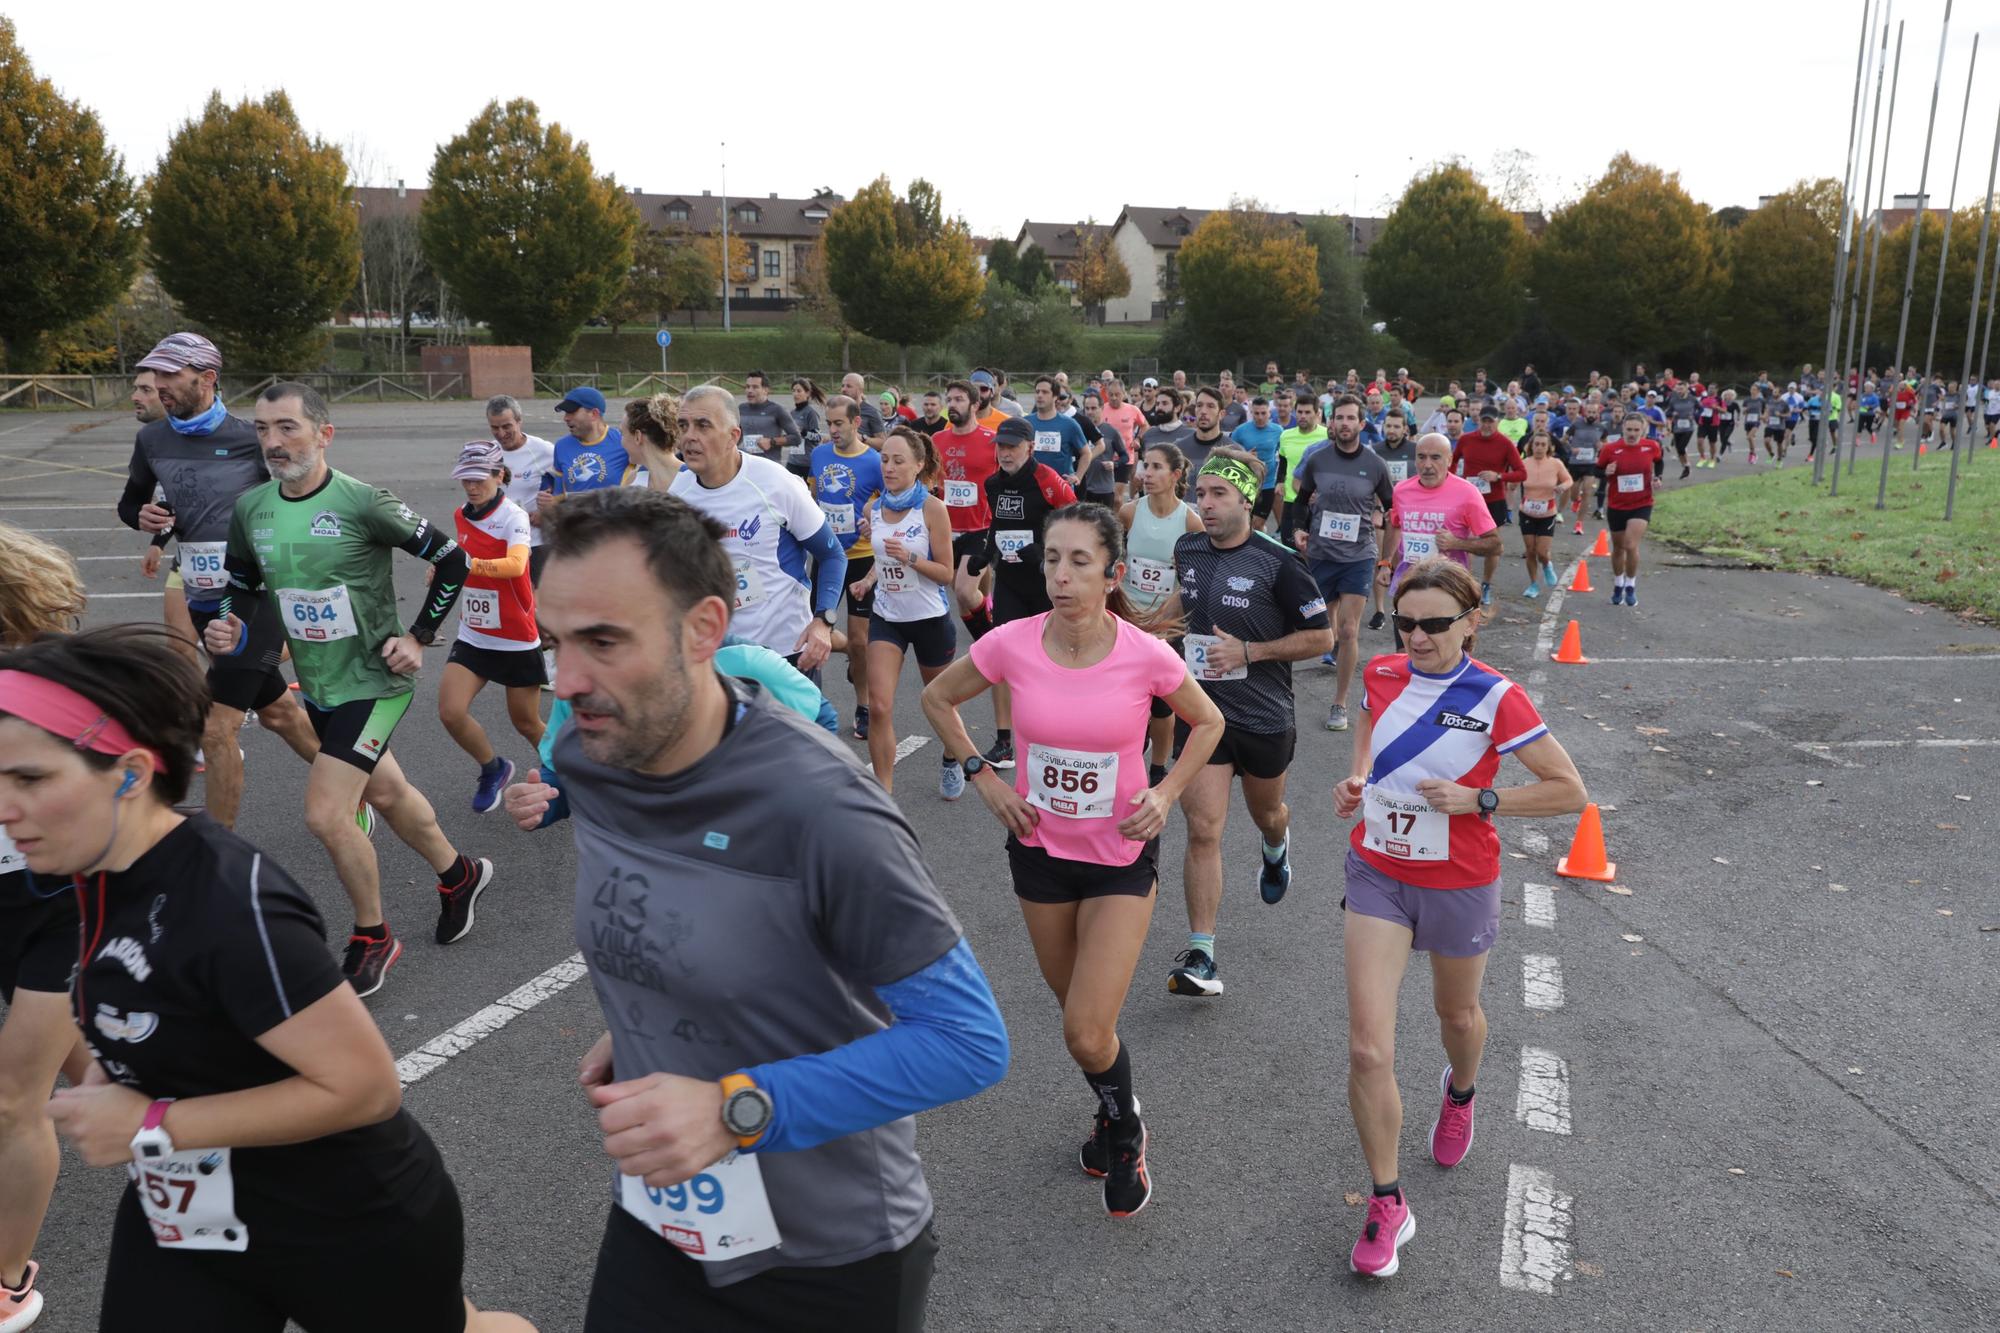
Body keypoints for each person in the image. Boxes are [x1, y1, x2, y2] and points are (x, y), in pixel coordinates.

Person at [500, 488, 1008, 1331]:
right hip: (664, 1219)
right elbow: (690, 916)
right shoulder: (590, 751)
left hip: (827, 1258)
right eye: (554, 641)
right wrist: (657, 1002)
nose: (568, 680)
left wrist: (734, 1107)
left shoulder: (822, 810)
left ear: (704, 631)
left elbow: (968, 1044)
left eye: (603, 641)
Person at [0, 625, 533, 1333]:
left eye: (31, 779)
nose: (6, 809)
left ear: (129, 773)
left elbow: (367, 1087)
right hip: (188, 1210)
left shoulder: (227, 899)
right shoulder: (89, 876)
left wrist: (153, 1121)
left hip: (342, 1222)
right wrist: (118, 1076)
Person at [921, 504, 1224, 1219]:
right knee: (1081, 1021)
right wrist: (983, 775)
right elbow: (937, 698)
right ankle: (1112, 1106)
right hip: (1039, 855)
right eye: (1052, 558)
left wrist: (1167, 789)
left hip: (1119, 855)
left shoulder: (1144, 653)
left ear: (1111, 572)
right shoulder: (1012, 643)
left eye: (1079, 561)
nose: (1060, 574)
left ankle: (1125, 1131)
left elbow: (1207, 720)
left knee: (1087, 1029)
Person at [1332, 560, 1586, 1280]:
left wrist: (1483, 801)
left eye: (1436, 623)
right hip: (1377, 871)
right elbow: (1369, 717)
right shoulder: (1383, 673)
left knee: (1458, 1013)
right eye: (1405, 622)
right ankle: (1387, 1202)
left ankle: (1461, 1090)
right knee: (1367, 1050)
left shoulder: (1495, 697)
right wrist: (1359, 777)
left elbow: (1568, 789)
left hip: (1459, 881)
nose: (1417, 636)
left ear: (1472, 621)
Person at [205, 383, 494, 996]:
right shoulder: (252, 507)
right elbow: (242, 581)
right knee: (388, 794)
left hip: (376, 682)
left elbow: (451, 560)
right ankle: (459, 874)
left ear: (323, 434)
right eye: (262, 429)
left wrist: (418, 636)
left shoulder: (364, 502)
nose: (273, 442)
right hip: (319, 683)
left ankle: (373, 936)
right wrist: (229, 620)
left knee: (327, 813)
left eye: (287, 428)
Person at [1144, 449, 1332, 997]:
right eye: (1200, 494)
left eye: (1217, 495)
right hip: (1204, 717)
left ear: (1247, 500)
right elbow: (1188, 597)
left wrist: (1250, 651)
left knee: (1266, 813)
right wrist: (1151, 628)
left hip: (1264, 717)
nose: (1206, 505)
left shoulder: (1279, 562)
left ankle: (1277, 845)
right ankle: (1201, 953)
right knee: (1203, 830)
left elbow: (1322, 638)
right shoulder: (1190, 546)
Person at [115, 332, 322, 828]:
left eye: (170, 375)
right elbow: (132, 503)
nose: (159, 385)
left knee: (215, 729)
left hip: (256, 599)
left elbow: (305, 501)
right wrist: (144, 519)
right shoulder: (151, 439)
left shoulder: (251, 438)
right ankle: (369, 787)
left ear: (207, 379)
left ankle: (216, 852)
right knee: (280, 715)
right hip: (202, 597)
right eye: (155, 375)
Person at [0, 526, 91, 1333]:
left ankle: (8, 1279)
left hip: (52, 901)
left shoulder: (44, 677)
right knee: (101, 1070)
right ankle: (205, 1136)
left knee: (12, 1099)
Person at [667, 386, 846, 684]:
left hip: (785, 654)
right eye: (683, 425)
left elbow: (831, 554)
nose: (689, 436)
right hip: (719, 657)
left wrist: (823, 621)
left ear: (733, 436)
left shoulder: (775, 483)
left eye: (703, 425)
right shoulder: (678, 494)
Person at [958, 418, 1078, 794]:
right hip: (1010, 582)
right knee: (1008, 656)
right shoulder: (993, 483)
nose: (1005, 453)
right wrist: (985, 556)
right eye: (1001, 447)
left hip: (1045, 583)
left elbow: (1076, 521)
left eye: (1012, 446)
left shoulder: (1046, 479)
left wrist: (1045, 556)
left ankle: (1062, 732)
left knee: (1056, 656)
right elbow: (997, 526)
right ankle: (1005, 738)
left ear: (1029, 447)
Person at [437, 442, 548, 817]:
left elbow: (516, 566)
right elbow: (455, 559)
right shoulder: (460, 515)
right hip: (474, 635)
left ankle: (571, 775)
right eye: (465, 478)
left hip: (515, 637)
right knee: (451, 712)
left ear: (499, 475)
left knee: (527, 722)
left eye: (479, 477)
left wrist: (465, 565)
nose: (471, 486)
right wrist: (441, 568)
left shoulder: (513, 516)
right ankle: (493, 768)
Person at [848, 427, 955, 792]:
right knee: (879, 705)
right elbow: (882, 557)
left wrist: (911, 557)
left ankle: (951, 756)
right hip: (887, 618)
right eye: (884, 460)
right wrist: (868, 579)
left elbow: (946, 574)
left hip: (929, 619)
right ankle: (884, 795)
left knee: (941, 702)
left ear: (918, 465)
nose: (889, 468)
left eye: (898, 461)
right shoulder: (872, 508)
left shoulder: (932, 509)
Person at [1289, 396, 1395, 733]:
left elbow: (1392, 510)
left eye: (1351, 418)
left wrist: (1385, 555)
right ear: (1332, 422)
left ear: (1362, 424)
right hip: (1321, 554)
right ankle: (1330, 645)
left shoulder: (1375, 464)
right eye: (1340, 418)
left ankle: (1340, 702)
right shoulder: (1317, 460)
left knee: (1350, 630)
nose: (1345, 423)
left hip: (1358, 556)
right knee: (1324, 627)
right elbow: (1300, 501)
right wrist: (1299, 530)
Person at [1120, 442, 1203, 780]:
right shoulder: (1128, 511)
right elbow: (1115, 560)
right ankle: (1128, 748)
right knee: (1127, 691)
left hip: (1167, 623)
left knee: (1161, 701)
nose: (1147, 474)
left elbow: (1194, 580)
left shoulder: (1190, 521)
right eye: (1145, 466)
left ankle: (1157, 769)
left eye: (1156, 468)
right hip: (1129, 617)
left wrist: (1169, 614)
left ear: (1175, 475)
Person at [809, 395, 886, 740]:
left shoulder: (873, 462)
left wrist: (875, 523)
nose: (833, 429)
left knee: (859, 639)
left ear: (857, 423)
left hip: (860, 558)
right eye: (829, 423)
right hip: (826, 557)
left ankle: (863, 704)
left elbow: (889, 504)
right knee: (811, 631)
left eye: (839, 423)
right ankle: (811, 703)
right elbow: (811, 501)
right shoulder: (819, 455)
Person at [1382, 435, 1502, 646]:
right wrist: (1385, 563)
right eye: (1421, 457)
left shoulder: (1467, 493)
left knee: (1446, 659)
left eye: (1435, 457)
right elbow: (1395, 524)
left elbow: (1495, 545)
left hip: (1447, 590)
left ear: (1449, 459)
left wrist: (1457, 544)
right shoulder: (1401, 490)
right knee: (1405, 656)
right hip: (1408, 587)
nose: (1427, 465)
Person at [1449, 407, 1526, 607]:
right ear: (1478, 421)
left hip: (1493, 501)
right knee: (1467, 543)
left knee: (1492, 546)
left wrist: (1499, 476)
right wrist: (1451, 479)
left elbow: (1521, 473)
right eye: (1483, 420)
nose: (1486, 425)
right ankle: (1466, 583)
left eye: (1490, 421)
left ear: (1497, 422)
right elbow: (1453, 460)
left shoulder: (1505, 443)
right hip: (1467, 499)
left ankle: (1486, 584)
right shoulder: (1466, 440)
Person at [542, 388, 633, 525]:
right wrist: (548, 503)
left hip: (615, 530)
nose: (566, 418)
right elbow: (558, 495)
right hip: (577, 533)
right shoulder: (561, 446)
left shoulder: (623, 443)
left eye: (572, 412)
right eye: (566, 413)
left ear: (594, 414)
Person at [1600, 413, 1663, 606]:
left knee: (1630, 544)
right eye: (1629, 430)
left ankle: (1631, 585)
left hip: (1642, 503)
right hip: (1617, 504)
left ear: (1643, 431)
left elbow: (1659, 461)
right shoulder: (1610, 449)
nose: (1632, 434)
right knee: (1618, 548)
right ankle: (1618, 583)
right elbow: (1597, 469)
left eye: (1636, 430)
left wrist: (1657, 477)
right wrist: (1606, 472)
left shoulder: (1651, 446)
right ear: (1623, 429)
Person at [1515, 431, 1572, 598]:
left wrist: (1562, 487)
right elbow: (1513, 480)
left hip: (1547, 513)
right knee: (1530, 550)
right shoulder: (1524, 463)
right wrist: (1510, 484)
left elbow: (1568, 480)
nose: (1539, 448)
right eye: (1536, 444)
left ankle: (1547, 565)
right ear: (1531, 446)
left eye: (1543, 445)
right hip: (1526, 512)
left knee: (1541, 551)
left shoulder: (1556, 463)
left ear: (1549, 448)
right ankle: (1533, 584)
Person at [1275, 396, 1329, 537]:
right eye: (1299, 412)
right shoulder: (1285, 435)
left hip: (1317, 501)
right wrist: (1280, 481)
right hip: (1292, 499)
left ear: (1317, 414)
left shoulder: (1327, 436)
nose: (1302, 416)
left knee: (1315, 549)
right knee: (1289, 545)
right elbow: (1283, 461)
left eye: (1307, 412)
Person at [1025, 376, 1093, 485]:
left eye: (1045, 392)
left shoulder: (1069, 424)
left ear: (1055, 396)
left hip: (1061, 488)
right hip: (1031, 486)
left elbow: (1086, 453)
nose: (1040, 395)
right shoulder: (1025, 423)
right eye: (1037, 392)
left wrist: (1077, 476)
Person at [1229, 396, 1284, 528]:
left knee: (1257, 523)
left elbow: (1281, 454)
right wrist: (1245, 455)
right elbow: (1229, 454)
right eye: (1256, 413)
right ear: (1251, 413)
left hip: (1268, 483)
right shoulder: (1240, 431)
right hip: (1246, 482)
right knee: (1245, 523)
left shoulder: (1278, 430)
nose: (1260, 417)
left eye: (1263, 413)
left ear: (1269, 413)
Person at [738, 370, 804, 476]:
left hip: (769, 469)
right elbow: (737, 435)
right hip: (746, 468)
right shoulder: (741, 409)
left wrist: (772, 442)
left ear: (765, 390)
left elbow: (796, 438)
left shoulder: (777, 410)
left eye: (755, 387)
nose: (749, 390)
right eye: (747, 387)